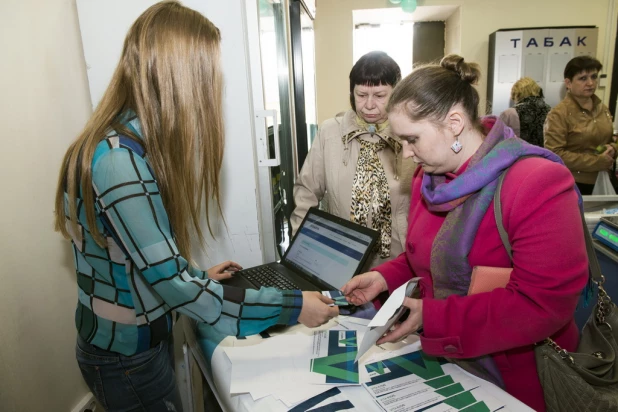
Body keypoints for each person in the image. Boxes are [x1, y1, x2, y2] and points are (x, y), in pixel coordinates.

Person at [53, 3, 337, 411]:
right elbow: (176, 288)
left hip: (122, 348)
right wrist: (294, 306)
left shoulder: (117, 145)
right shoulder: (120, 162)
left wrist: (194, 275)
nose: (211, 89)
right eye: (208, 76)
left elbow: (130, 262)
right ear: (179, 78)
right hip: (128, 361)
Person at [341, 55, 588, 411]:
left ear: (454, 123)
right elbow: (422, 260)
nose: (406, 153)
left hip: (518, 379)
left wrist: (434, 315)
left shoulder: (536, 183)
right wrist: (383, 278)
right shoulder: (428, 178)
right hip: (449, 361)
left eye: (412, 139)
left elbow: (541, 305)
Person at [291, 51, 414, 271]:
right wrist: (302, 250)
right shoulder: (330, 133)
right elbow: (306, 192)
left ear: (396, 94)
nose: (369, 104)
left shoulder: (411, 134)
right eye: (361, 95)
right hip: (340, 259)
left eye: (379, 95)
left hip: (399, 260)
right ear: (351, 93)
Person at [544, 55, 618, 195]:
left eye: (594, 77)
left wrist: (613, 148)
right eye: (583, 78)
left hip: (604, 179)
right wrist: (596, 161)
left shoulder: (603, 108)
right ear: (568, 83)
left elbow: (606, 141)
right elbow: (555, 154)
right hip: (574, 183)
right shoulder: (558, 114)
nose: (590, 83)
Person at [499, 77, 550, 147]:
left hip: (519, 156)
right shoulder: (551, 111)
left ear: (517, 94)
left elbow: (498, 141)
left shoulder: (509, 114)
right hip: (545, 156)